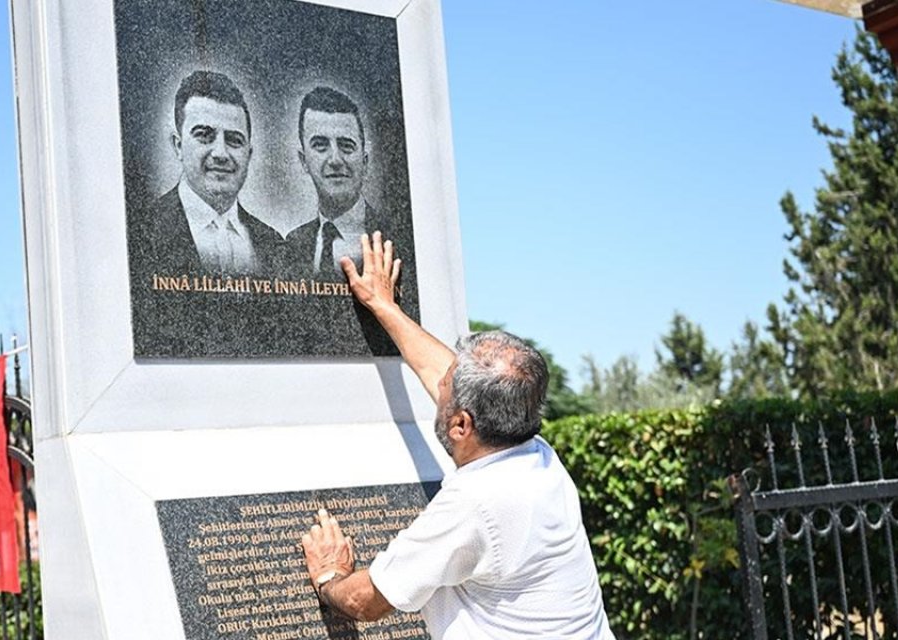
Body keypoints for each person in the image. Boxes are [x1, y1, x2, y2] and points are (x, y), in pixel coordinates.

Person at [299, 232, 614, 639]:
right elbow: (440, 371)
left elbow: (367, 601)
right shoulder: (534, 453)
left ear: (461, 425)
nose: (439, 384)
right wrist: (383, 305)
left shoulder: (477, 503)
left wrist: (330, 577)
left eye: (445, 387)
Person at [136, 70, 282, 275]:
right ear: (178, 146)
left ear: (248, 154)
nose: (221, 153)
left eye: (234, 140)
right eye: (204, 135)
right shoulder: (141, 230)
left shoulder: (273, 244)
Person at [284, 87, 397, 279]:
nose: (335, 160)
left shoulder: (396, 237)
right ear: (304, 161)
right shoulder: (291, 245)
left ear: (365, 161)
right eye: (320, 145)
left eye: (346, 146)